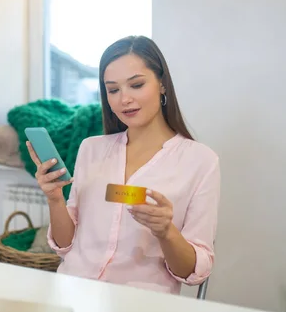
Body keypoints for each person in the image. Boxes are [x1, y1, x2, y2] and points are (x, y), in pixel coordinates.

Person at [26, 35, 220, 294]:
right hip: (73, 291)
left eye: (136, 85)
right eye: (113, 90)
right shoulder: (91, 149)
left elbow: (193, 272)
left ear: (162, 84)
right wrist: (54, 199)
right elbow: (65, 244)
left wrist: (166, 232)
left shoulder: (201, 162)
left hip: (140, 305)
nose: (123, 99)